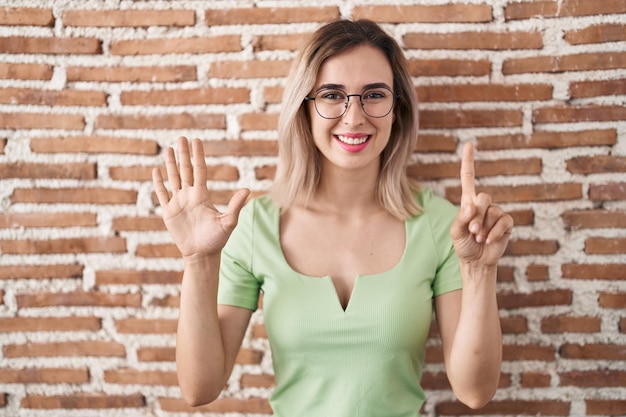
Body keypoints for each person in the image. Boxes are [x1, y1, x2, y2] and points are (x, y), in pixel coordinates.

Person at [152, 19, 513, 417]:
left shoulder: (442, 225)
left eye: (374, 95)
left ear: (398, 109)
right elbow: (199, 388)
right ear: (304, 109)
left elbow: (475, 391)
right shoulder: (254, 225)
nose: (354, 117)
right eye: (331, 95)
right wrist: (199, 261)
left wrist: (480, 273)